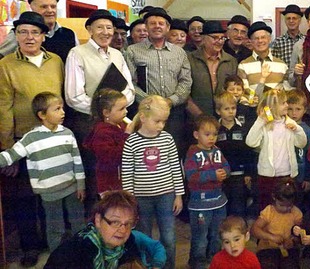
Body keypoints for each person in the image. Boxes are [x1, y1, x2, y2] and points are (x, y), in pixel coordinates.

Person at [0, 11, 64, 266]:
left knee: (51, 192)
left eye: (35, 32)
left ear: (43, 35)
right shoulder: (5, 65)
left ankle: (53, 239)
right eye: (23, 32)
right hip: (22, 140)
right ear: (15, 36)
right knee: (25, 197)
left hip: (53, 137)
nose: (29, 37)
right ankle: (29, 246)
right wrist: (7, 149)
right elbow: (3, 107)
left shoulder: (56, 61)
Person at [0, 91, 85, 253]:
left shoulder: (68, 133)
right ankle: (57, 259)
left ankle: (80, 254)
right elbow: (11, 155)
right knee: (55, 228)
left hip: (73, 188)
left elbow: (77, 160)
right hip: (49, 192)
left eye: (62, 108)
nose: (63, 112)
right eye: (57, 109)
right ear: (42, 115)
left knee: (78, 223)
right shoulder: (31, 138)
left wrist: (81, 184)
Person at [66, 10, 136, 206]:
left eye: (109, 28)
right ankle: (96, 223)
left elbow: (129, 88)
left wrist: (118, 107)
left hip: (118, 122)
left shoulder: (117, 54)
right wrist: (103, 110)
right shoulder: (77, 53)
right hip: (90, 123)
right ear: (89, 30)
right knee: (96, 176)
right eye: (100, 27)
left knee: (119, 172)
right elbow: (74, 96)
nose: (105, 32)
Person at [121, 95, 185, 269]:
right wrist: (130, 200)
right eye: (157, 121)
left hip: (166, 195)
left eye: (164, 122)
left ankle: (168, 266)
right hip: (141, 199)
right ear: (143, 117)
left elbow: (175, 168)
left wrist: (178, 195)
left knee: (169, 237)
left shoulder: (167, 139)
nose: (161, 126)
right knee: (144, 237)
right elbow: (127, 173)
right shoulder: (131, 142)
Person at [125, 7, 193, 158]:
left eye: (161, 23)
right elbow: (130, 83)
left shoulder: (179, 53)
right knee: (148, 154)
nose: (157, 26)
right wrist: (151, 103)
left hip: (174, 112)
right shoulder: (132, 51)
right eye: (152, 23)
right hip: (146, 112)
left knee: (174, 152)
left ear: (167, 27)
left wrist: (170, 101)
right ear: (146, 27)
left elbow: (186, 81)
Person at [45, 190, 167, 269]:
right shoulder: (77, 252)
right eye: (115, 222)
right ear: (98, 220)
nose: (122, 230)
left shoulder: (128, 242)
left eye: (128, 223)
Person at [246, 89, 307, 211]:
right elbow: (251, 142)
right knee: (266, 209)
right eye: (283, 103)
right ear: (273, 106)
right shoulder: (264, 125)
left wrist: (297, 130)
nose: (287, 105)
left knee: (287, 208)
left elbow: (302, 143)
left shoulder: (290, 124)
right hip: (267, 176)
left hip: (288, 174)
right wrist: (260, 120)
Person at [183, 114, 230, 269]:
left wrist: (224, 172)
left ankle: (215, 261)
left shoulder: (217, 150)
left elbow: (226, 166)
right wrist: (212, 175)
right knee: (200, 237)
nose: (212, 138)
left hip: (218, 201)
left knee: (217, 234)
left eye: (215, 135)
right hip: (200, 204)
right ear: (197, 135)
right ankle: (197, 263)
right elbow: (191, 176)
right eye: (207, 134)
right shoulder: (192, 153)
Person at [83, 89, 133, 195]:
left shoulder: (121, 124)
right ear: (106, 112)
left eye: (126, 107)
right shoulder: (101, 133)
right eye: (121, 109)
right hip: (110, 185)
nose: (126, 111)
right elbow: (112, 158)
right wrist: (127, 135)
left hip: (124, 181)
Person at [215, 92, 256, 218]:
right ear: (218, 111)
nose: (231, 112)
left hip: (239, 175)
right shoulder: (215, 130)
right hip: (221, 175)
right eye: (226, 109)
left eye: (233, 108)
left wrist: (248, 173)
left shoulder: (242, 129)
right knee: (222, 207)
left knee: (239, 207)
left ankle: (240, 232)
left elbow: (248, 152)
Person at [187, 20, 238, 117]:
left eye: (222, 38)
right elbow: (185, 92)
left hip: (224, 119)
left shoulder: (231, 61)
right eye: (215, 38)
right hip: (196, 118)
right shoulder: (190, 59)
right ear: (203, 38)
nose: (219, 41)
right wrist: (199, 114)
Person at [0, 0, 78, 62]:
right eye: (44, 7)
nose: (50, 10)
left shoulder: (70, 34)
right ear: (32, 8)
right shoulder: (19, 34)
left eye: (53, 6)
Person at [251, 180, 303, 269]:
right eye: (281, 205)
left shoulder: (296, 213)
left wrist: (293, 240)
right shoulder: (269, 211)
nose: (286, 209)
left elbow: (301, 233)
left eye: (289, 206)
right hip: (268, 248)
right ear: (274, 198)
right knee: (268, 265)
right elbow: (254, 230)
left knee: (291, 266)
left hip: (289, 249)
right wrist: (271, 237)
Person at [238, 21, 289, 95]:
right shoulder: (243, 66)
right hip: (253, 106)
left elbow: (287, 92)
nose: (260, 41)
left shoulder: (282, 65)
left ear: (269, 39)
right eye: (256, 38)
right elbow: (244, 94)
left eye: (263, 37)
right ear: (251, 41)